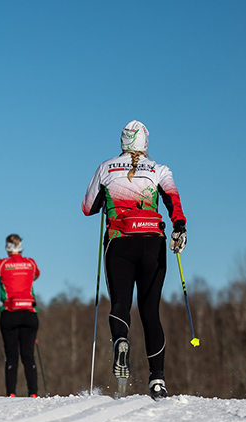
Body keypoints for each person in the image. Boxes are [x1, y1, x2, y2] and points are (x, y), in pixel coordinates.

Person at [80, 120, 187, 399]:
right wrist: (180, 228)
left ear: (122, 142)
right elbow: (173, 202)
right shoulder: (160, 170)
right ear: (145, 143)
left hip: (119, 242)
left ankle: (122, 341)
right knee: (150, 311)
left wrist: (107, 197)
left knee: (120, 304)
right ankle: (157, 380)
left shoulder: (106, 167)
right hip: (153, 243)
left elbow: (87, 208)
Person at [0, 234, 40, 397]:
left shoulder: (2, 264)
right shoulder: (30, 263)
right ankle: (33, 393)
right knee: (28, 355)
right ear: (20, 247)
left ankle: (11, 393)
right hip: (30, 313)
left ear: (8, 247)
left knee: (11, 356)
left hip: (10, 314)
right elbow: (36, 275)